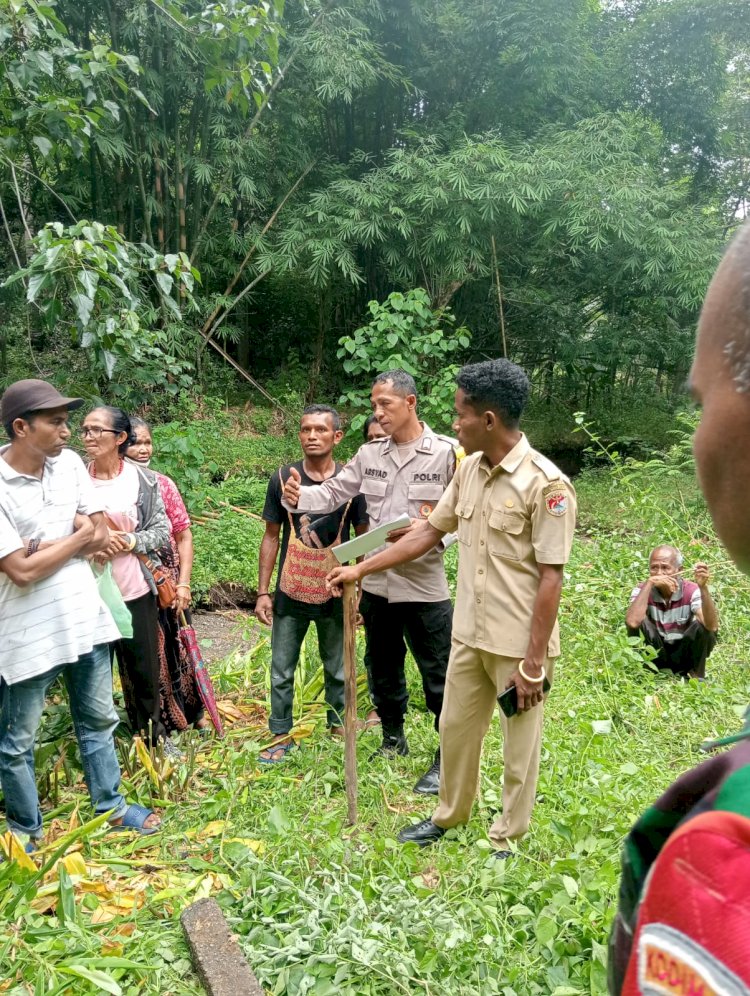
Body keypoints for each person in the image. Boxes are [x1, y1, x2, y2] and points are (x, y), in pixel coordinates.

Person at [326, 359, 576, 857]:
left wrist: (531, 664)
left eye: (461, 414)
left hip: (516, 644)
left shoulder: (546, 486)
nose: (454, 422)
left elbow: (552, 577)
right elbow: (426, 532)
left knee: (518, 747)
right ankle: (450, 814)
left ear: (488, 419)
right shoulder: (468, 471)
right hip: (469, 632)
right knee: (455, 729)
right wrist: (362, 568)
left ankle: (507, 836)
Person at [608, 224, 750, 993]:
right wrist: (647, 586)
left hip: (685, 651)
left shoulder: (723, 838)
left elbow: (712, 629)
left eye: (703, 401)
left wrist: (694, 588)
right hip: (653, 653)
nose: (699, 439)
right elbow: (632, 626)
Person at [0, 379, 160, 847]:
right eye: (56, 422)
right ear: (21, 427)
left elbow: (101, 529)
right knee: (17, 742)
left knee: (98, 721)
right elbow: (22, 573)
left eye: (69, 421)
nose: (69, 432)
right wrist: (73, 540)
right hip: (26, 634)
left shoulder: (69, 465)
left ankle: (110, 806)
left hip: (83, 619)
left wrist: (45, 546)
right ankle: (26, 832)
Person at [283, 371, 457, 794]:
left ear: (411, 403)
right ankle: (392, 739)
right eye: (374, 404)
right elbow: (333, 493)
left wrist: (426, 530)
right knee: (382, 667)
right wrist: (298, 496)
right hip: (377, 582)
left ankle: (446, 757)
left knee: (438, 672)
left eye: (386, 404)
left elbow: (463, 518)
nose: (377, 412)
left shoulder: (448, 455)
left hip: (424, 584)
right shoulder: (370, 454)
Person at [255, 405, 368, 762]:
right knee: (281, 667)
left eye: (320, 430)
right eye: (305, 430)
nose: (312, 436)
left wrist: (360, 592)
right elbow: (271, 536)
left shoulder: (353, 482)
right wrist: (262, 592)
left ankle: (337, 726)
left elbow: (364, 537)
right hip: (291, 590)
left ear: (337, 437)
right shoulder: (283, 478)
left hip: (336, 591)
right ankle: (280, 733)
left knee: (338, 666)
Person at [81, 407, 172, 748]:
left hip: (134, 588)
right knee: (94, 673)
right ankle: (99, 744)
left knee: (144, 669)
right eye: (85, 430)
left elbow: (162, 530)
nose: (88, 437)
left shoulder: (143, 480)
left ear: (120, 438)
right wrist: (91, 545)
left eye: (96, 431)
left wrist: (131, 541)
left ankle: (153, 739)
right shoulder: (74, 479)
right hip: (89, 592)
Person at [127, 418, 210, 733]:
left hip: (169, 577)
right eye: (136, 442)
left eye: (148, 442)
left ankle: (193, 713)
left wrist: (184, 582)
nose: (144, 449)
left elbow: (183, 536)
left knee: (180, 642)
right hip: (133, 578)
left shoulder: (164, 484)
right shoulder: (110, 487)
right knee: (147, 651)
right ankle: (153, 722)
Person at [625, 545, 718, 679]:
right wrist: (649, 584)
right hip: (654, 654)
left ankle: (696, 675)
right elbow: (632, 623)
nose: (659, 573)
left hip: (683, 655)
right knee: (640, 620)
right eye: (654, 567)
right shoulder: (642, 590)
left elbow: (711, 626)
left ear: (679, 570)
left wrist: (703, 588)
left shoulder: (691, 590)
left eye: (665, 567)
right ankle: (646, 672)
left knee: (701, 627)